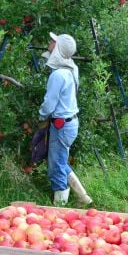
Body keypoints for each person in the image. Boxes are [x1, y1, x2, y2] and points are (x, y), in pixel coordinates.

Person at [38, 32, 92, 206]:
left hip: (61, 125)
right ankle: (83, 197)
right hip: (70, 123)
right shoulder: (72, 68)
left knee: (56, 166)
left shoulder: (58, 75)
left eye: (54, 42)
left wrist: (41, 115)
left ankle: (60, 205)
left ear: (59, 49)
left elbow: (49, 103)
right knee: (60, 160)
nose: (50, 43)